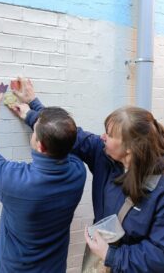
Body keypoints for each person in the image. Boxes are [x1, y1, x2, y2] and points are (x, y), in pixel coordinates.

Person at [11, 77, 164, 273]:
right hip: (99, 261)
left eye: (108, 135)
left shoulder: (159, 189)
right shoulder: (105, 155)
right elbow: (68, 135)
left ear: (129, 149)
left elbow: (159, 255)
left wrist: (111, 255)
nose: (102, 137)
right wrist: (32, 109)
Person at [0, 77, 86, 272]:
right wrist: (32, 104)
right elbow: (62, 136)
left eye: (35, 131)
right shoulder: (78, 172)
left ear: (40, 145)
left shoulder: (16, 182)